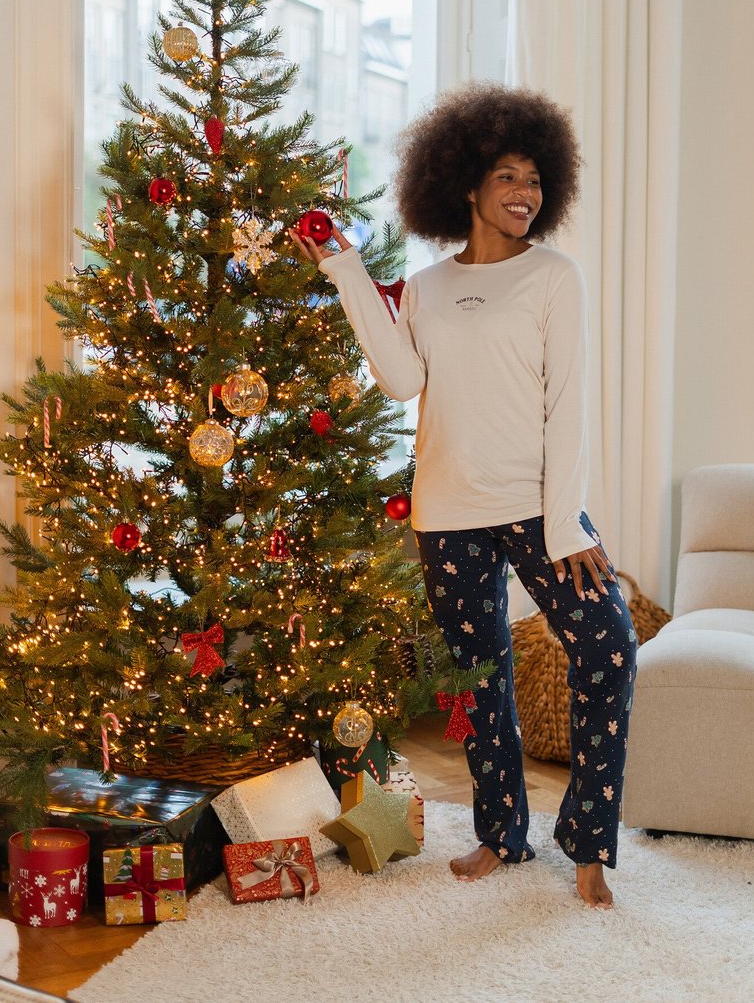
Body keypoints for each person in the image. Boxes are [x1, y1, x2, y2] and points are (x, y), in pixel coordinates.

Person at [292, 81, 637, 909]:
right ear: (469, 184)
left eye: (535, 180)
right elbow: (399, 379)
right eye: (509, 177)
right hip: (446, 513)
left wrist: (565, 525)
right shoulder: (427, 286)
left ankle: (588, 842)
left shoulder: (556, 277)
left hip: (536, 507)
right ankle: (500, 835)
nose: (526, 194)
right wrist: (345, 270)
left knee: (610, 648)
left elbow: (570, 406)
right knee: (478, 679)